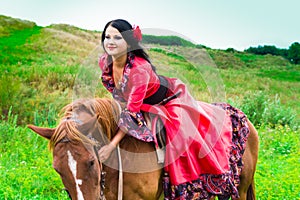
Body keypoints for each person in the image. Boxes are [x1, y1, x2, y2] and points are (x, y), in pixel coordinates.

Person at [98, 19, 249, 199]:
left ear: (129, 42)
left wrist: (111, 146)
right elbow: (122, 95)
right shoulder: (105, 62)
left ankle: (188, 184)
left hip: (166, 100)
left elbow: (132, 113)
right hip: (139, 104)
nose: (111, 42)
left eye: (117, 37)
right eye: (107, 37)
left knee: (180, 138)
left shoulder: (139, 69)